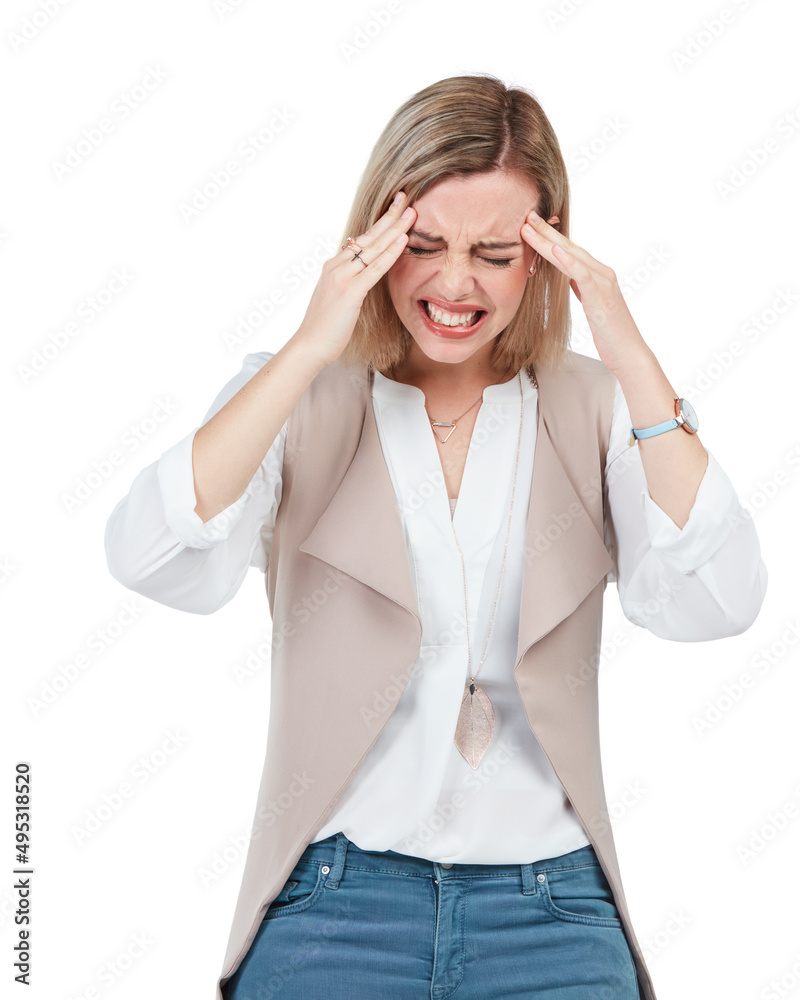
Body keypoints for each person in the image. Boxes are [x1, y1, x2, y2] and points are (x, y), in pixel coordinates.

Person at [104, 73, 767, 1000]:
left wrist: (635, 362)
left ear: (544, 256)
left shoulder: (600, 409)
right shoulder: (301, 397)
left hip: (555, 914)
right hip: (334, 906)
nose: (456, 284)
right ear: (373, 239)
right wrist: (305, 349)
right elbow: (153, 556)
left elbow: (720, 600)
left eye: (496, 253)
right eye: (422, 245)